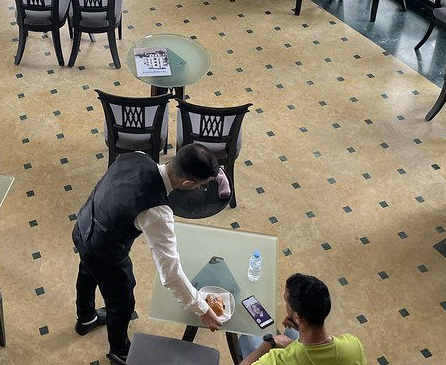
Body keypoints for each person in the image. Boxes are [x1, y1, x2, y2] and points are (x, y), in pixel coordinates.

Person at [73, 144, 224, 364]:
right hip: (104, 251)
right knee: (122, 302)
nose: (199, 190)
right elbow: (170, 275)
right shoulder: (157, 211)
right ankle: (120, 351)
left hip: (83, 225)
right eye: (200, 186)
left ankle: (86, 318)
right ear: (188, 183)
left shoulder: (137, 156)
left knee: (86, 271)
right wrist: (200, 308)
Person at [237, 274, 366, 365]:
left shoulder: (277, 360)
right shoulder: (353, 345)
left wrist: (270, 342)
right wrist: (301, 329)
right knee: (292, 333)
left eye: (286, 303)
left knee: (250, 336)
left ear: (298, 317)